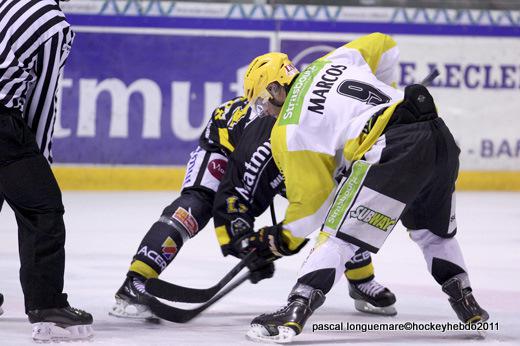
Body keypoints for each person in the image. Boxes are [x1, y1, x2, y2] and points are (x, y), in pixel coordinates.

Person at [240, 32, 489, 343]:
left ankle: (294, 312)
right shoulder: (329, 61)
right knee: (432, 234)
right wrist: (386, 98)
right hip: (437, 136)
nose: (264, 110)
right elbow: (385, 44)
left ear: (276, 87)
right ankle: (469, 306)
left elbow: (312, 208)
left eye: (263, 99)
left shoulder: (287, 129)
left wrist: (281, 240)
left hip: (392, 149)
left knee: (337, 236)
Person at [111, 95, 396, 320]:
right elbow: (236, 200)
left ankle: (360, 279)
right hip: (228, 146)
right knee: (196, 204)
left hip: (286, 154)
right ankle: (136, 281)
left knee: (337, 205)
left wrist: (268, 246)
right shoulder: (263, 131)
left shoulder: (317, 123)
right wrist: (248, 246)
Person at [0, 0, 93, 342]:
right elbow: (42, 96)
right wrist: (38, 160)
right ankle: (47, 307)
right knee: (42, 209)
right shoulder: (54, 23)